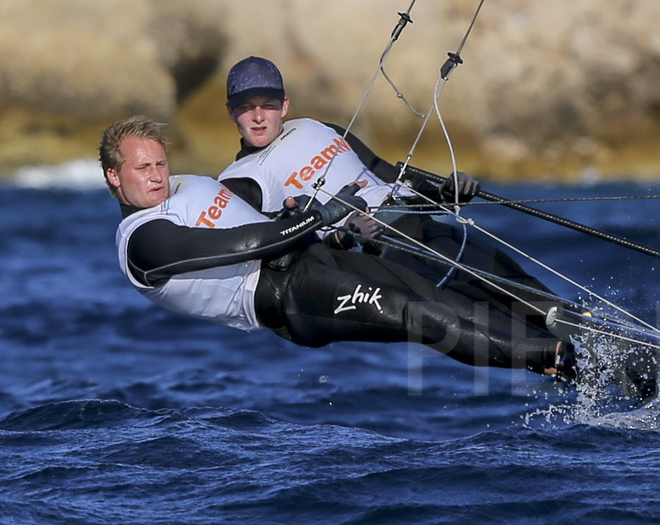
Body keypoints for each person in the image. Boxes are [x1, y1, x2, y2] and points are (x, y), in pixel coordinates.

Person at [102, 115, 572, 377]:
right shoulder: (144, 241)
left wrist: (307, 219)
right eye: (142, 168)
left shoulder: (183, 186)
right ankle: (553, 358)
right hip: (290, 297)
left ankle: (581, 357)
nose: (157, 175)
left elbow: (255, 221)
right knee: (420, 315)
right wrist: (315, 218)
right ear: (113, 176)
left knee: (441, 296)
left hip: (317, 259)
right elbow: (239, 243)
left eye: (159, 163)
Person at [215, 55, 559, 321]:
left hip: (419, 227)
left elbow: (387, 176)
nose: (258, 117)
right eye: (246, 108)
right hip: (380, 259)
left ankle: (598, 345)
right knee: (487, 317)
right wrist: (340, 238)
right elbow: (277, 255)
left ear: (284, 106)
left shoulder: (320, 128)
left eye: (268, 106)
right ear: (230, 112)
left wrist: (446, 193)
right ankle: (558, 361)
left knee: (528, 292)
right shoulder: (240, 181)